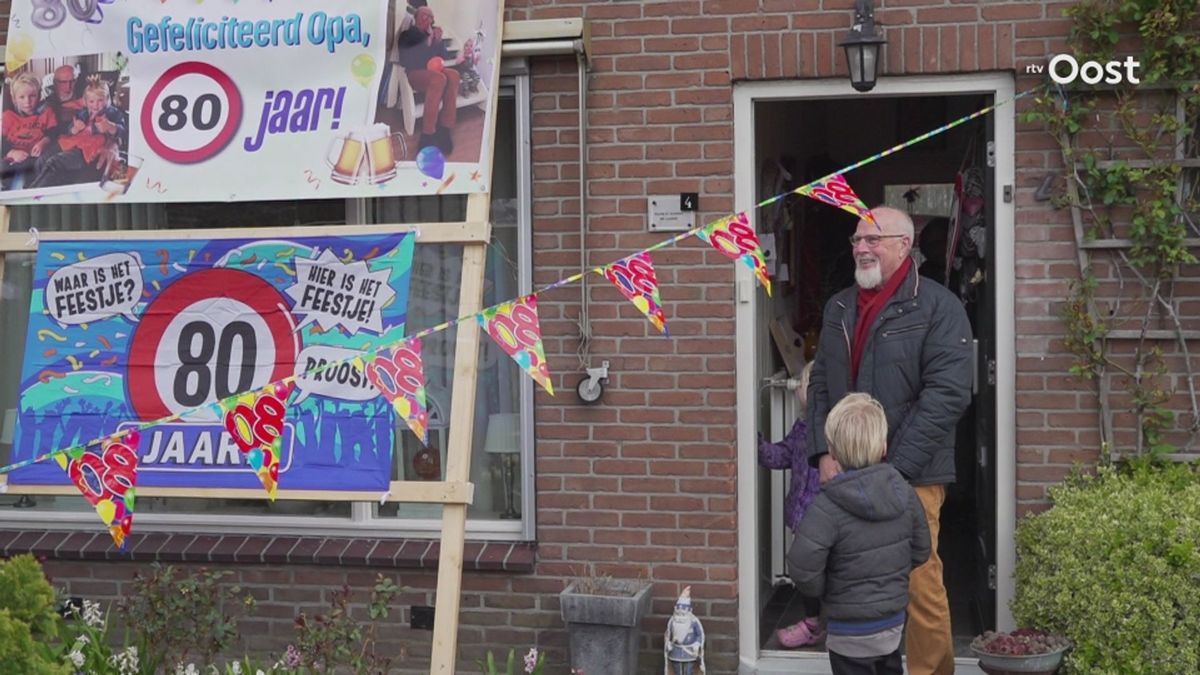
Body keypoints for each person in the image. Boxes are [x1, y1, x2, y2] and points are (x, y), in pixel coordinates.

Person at [807, 206, 972, 675]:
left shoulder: (939, 306)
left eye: (873, 239)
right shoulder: (839, 306)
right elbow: (821, 384)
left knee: (919, 586)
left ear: (905, 244)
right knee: (853, 580)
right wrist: (822, 451)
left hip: (914, 474)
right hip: (846, 471)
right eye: (857, 240)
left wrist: (893, 469)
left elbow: (948, 394)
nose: (861, 248)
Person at [788, 393, 930, 675]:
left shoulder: (827, 505)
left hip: (847, 630)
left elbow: (803, 568)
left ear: (833, 452)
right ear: (884, 446)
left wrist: (826, 591)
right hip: (891, 623)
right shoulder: (905, 493)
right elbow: (921, 550)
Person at [756, 360, 823, 648]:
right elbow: (781, 456)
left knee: (832, 574)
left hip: (826, 519)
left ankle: (839, 625)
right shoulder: (801, 427)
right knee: (806, 574)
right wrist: (755, 443)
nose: (797, 387)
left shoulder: (834, 430)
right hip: (802, 517)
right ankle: (813, 623)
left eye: (803, 382)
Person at [395, 6, 468, 153]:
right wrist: (427, 42)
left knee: (453, 75)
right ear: (416, 18)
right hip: (415, 72)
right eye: (424, 15)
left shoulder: (434, 35)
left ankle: (445, 129)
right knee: (439, 78)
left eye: (430, 17)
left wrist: (438, 42)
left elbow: (443, 58)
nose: (428, 19)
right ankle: (427, 134)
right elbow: (407, 61)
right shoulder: (407, 35)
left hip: (433, 71)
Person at [30, 78, 125, 189]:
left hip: (87, 148)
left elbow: (122, 131)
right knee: (41, 160)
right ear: (85, 101)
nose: (95, 105)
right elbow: (69, 129)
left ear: (107, 99)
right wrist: (74, 129)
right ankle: (41, 188)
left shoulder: (113, 113)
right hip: (70, 141)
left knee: (54, 162)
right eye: (91, 101)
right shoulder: (83, 112)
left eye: (100, 100)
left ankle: (33, 191)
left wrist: (110, 126)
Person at [1, 73, 57, 189]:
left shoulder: (46, 112)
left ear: (39, 95)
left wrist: (43, 142)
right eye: (22, 97)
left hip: (33, 159)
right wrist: (12, 153)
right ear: (14, 99)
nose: (27, 102)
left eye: (32, 96)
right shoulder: (7, 116)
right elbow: (1, 142)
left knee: (31, 177)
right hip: (11, 159)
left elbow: (54, 132)